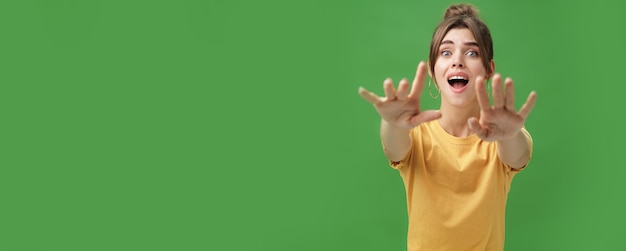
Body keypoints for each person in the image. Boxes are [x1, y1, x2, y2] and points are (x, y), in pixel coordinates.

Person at [358, 3, 537, 251]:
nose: (458, 62)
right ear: (433, 70)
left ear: (488, 70)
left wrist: (510, 134)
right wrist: (392, 123)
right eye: (446, 52)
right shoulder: (416, 135)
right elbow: (393, 148)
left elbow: (519, 155)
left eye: (472, 53)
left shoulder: (501, 136)